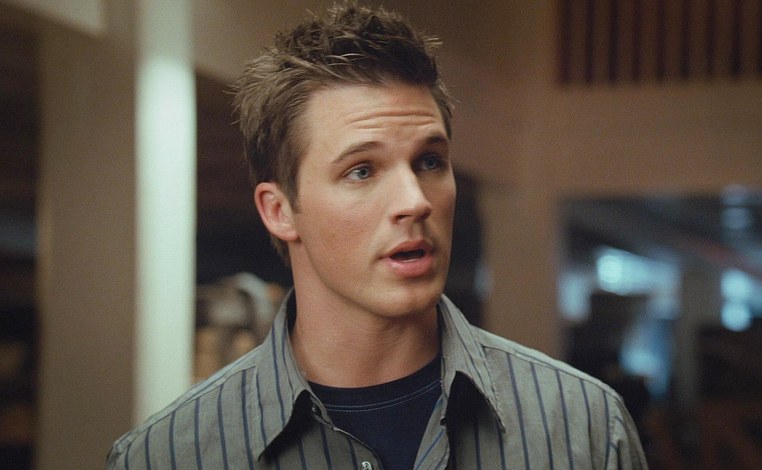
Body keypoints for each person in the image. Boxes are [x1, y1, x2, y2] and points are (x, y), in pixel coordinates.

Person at [106, 2, 648, 469]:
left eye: (429, 161)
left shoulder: (585, 427)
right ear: (280, 211)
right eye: (362, 171)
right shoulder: (167, 455)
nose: (415, 200)